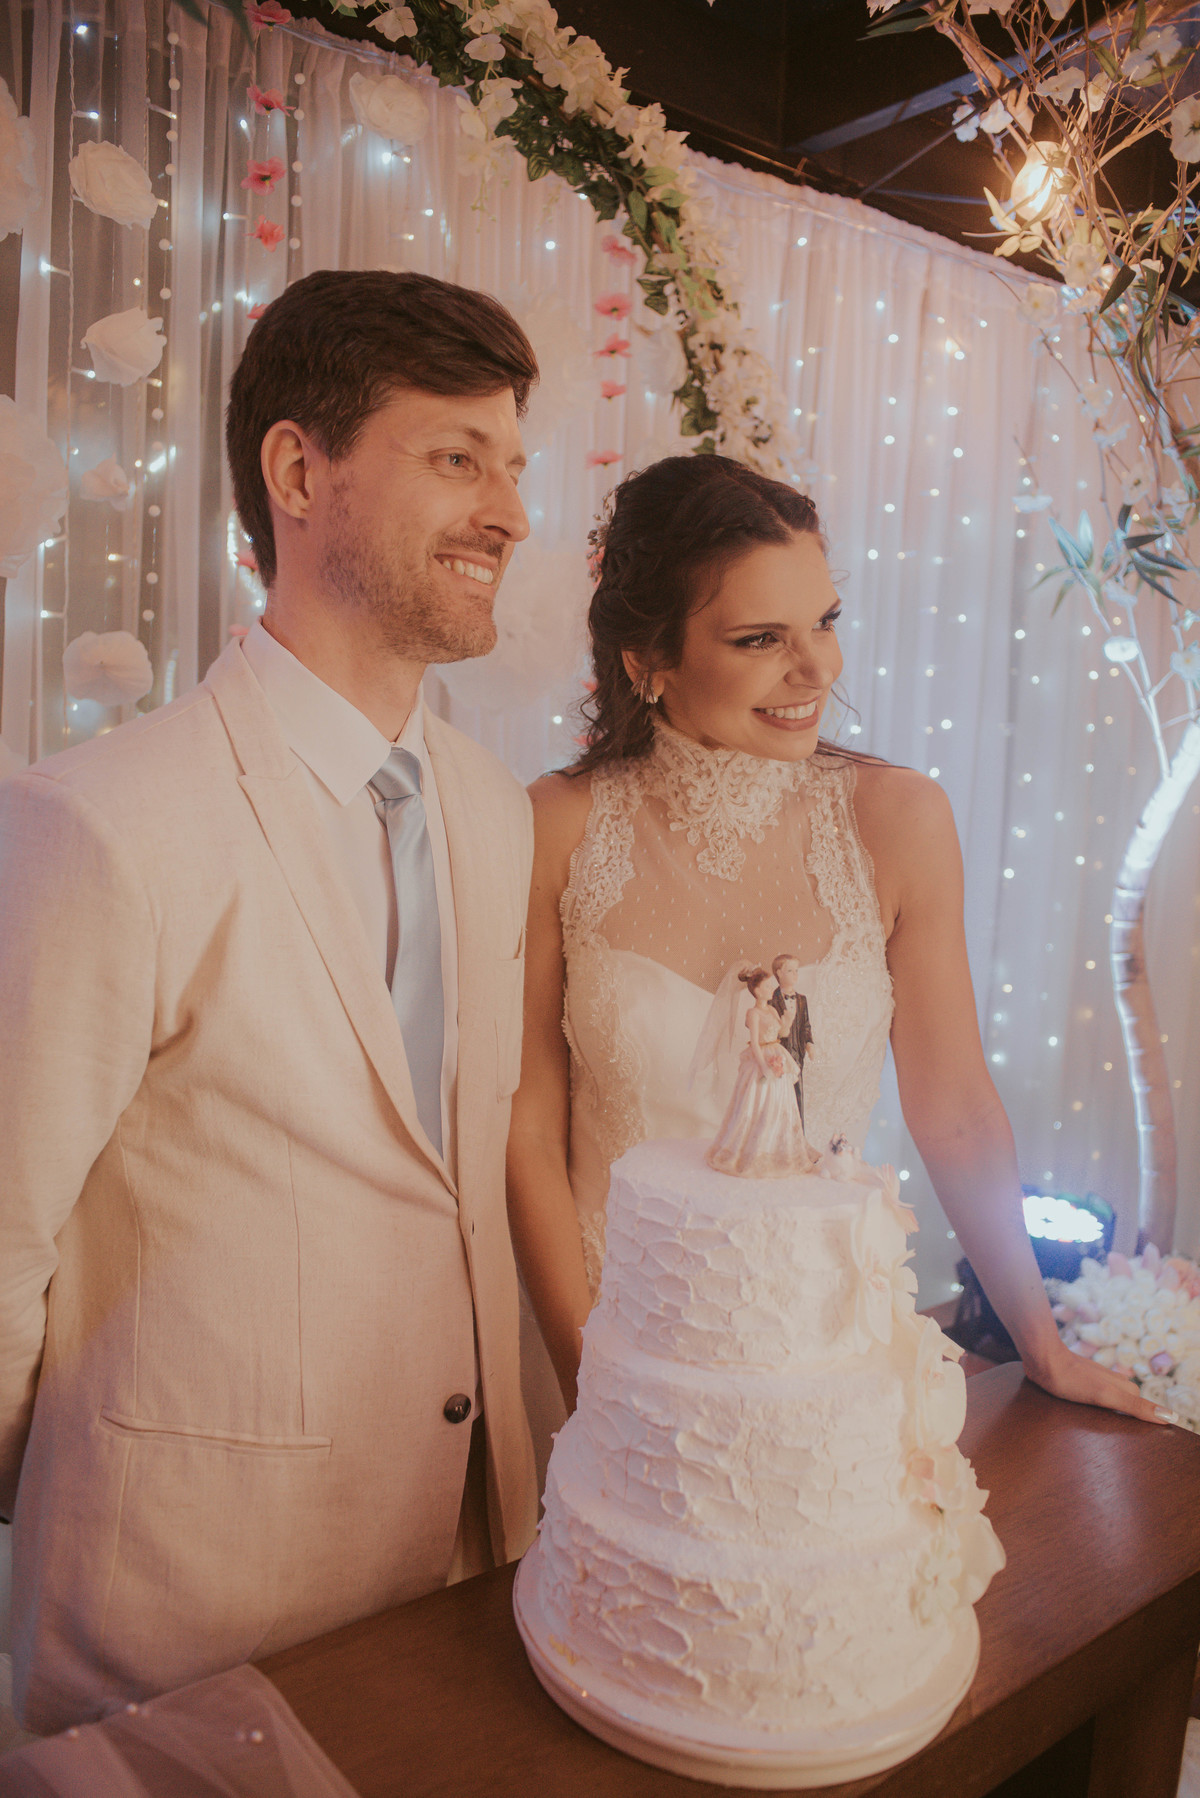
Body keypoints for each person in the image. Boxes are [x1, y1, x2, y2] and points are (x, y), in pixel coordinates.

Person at [0, 270, 539, 1734]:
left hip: (477, 1570)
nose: (509, 512)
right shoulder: (100, 820)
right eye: (459, 458)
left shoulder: (497, 811)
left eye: (514, 467)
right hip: (186, 1614)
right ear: (300, 473)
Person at [505, 453, 1170, 1445]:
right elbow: (528, 1129)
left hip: (824, 1356)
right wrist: (592, 1390)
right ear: (647, 659)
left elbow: (955, 1107)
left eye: (824, 620)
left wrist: (1042, 1345)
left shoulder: (898, 819)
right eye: (760, 638)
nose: (818, 669)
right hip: (603, 1340)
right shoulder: (554, 826)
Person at [705, 966, 817, 1179]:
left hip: (778, 1054)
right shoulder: (753, 1013)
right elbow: (755, 1043)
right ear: (757, 991)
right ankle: (754, 1149)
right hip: (763, 1058)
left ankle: (776, 1147)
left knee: (781, 1102)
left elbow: (782, 1033)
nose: (771, 988)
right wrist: (764, 1066)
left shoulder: (772, 1010)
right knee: (758, 1102)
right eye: (767, 986)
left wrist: (787, 1020)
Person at [769, 951, 815, 1125]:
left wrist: (809, 1043)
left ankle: (798, 1133)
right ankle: (778, 1130)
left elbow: (805, 1025)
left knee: (797, 1094)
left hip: (797, 1054)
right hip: (778, 1054)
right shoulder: (771, 1000)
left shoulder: (802, 1000)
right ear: (779, 973)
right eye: (790, 971)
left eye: (797, 970)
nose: (795, 974)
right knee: (779, 1093)